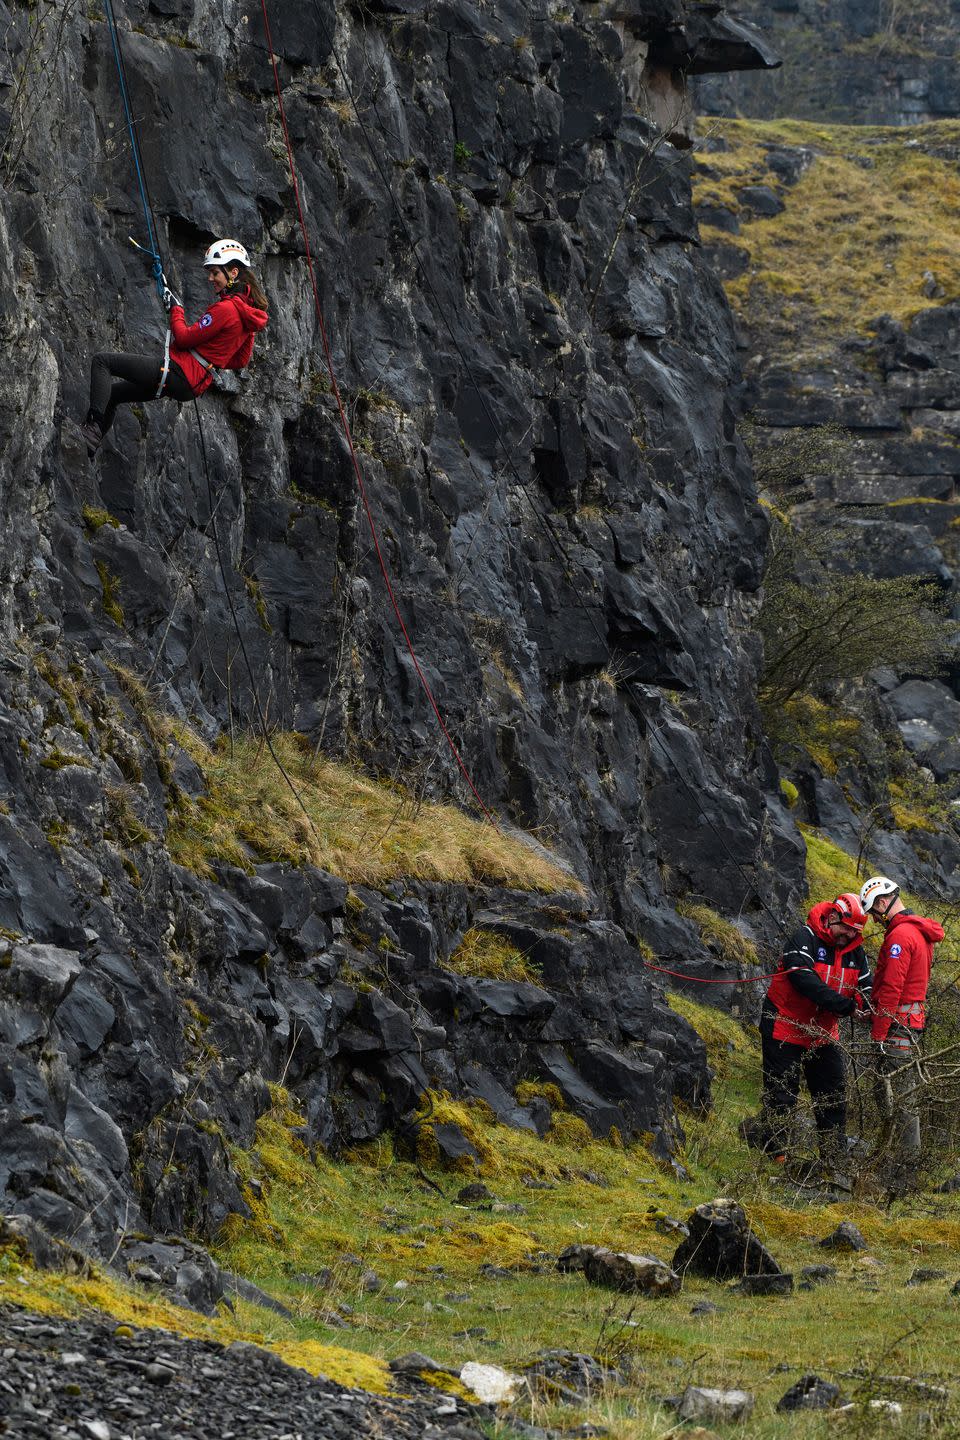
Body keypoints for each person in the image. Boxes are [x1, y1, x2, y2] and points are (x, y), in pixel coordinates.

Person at [79, 239, 268, 458]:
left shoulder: (226, 309)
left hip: (178, 373)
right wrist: (210, 358)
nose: (210, 278)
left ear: (233, 272)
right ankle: (87, 449)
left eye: (215, 272)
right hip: (190, 384)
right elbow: (241, 360)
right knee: (113, 395)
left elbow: (185, 338)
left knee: (102, 362)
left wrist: (176, 309)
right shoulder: (249, 316)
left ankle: (91, 429)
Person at [751, 892, 872, 1186]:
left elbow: (866, 987)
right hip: (785, 1025)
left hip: (822, 1033)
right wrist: (845, 1006)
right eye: (847, 929)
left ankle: (834, 1158)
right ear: (833, 917)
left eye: (856, 932)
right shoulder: (803, 938)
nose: (849, 936)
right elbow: (804, 981)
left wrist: (867, 1004)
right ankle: (776, 1155)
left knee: (832, 1095)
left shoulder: (856, 951)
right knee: (782, 1093)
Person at [860, 875, 943, 1187]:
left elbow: (894, 988)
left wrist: (879, 1032)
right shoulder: (918, 932)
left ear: (883, 903)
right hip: (911, 1023)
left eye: (874, 914)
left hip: (898, 1027)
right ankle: (900, 1163)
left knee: (898, 1097)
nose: (875, 921)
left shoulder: (899, 938)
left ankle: (906, 1171)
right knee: (900, 1095)